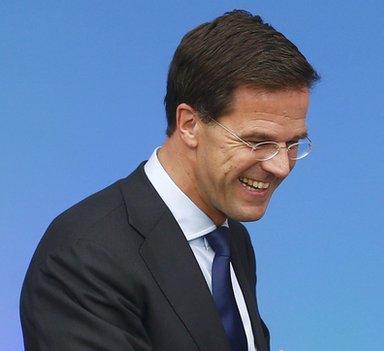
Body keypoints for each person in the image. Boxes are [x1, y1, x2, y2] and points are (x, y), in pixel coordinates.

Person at [20, 10, 318, 351]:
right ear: (189, 124)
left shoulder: (232, 240)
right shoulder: (84, 257)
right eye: (258, 142)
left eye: (293, 143)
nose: (281, 165)